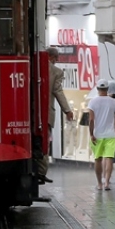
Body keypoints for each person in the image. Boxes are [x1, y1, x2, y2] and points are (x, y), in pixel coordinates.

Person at [37, 47, 73, 183]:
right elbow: (58, 91)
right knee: (44, 143)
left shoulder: (31, 65)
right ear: (51, 57)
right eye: (56, 58)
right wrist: (67, 110)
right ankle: (41, 172)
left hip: (30, 113)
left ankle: (35, 169)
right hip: (45, 114)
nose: (57, 61)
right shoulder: (55, 72)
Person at [87, 80, 115, 191]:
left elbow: (91, 120)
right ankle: (106, 183)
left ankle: (99, 184)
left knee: (98, 159)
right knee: (109, 158)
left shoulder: (92, 102)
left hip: (97, 135)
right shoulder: (113, 102)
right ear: (107, 89)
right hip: (111, 135)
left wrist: (91, 134)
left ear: (97, 89)